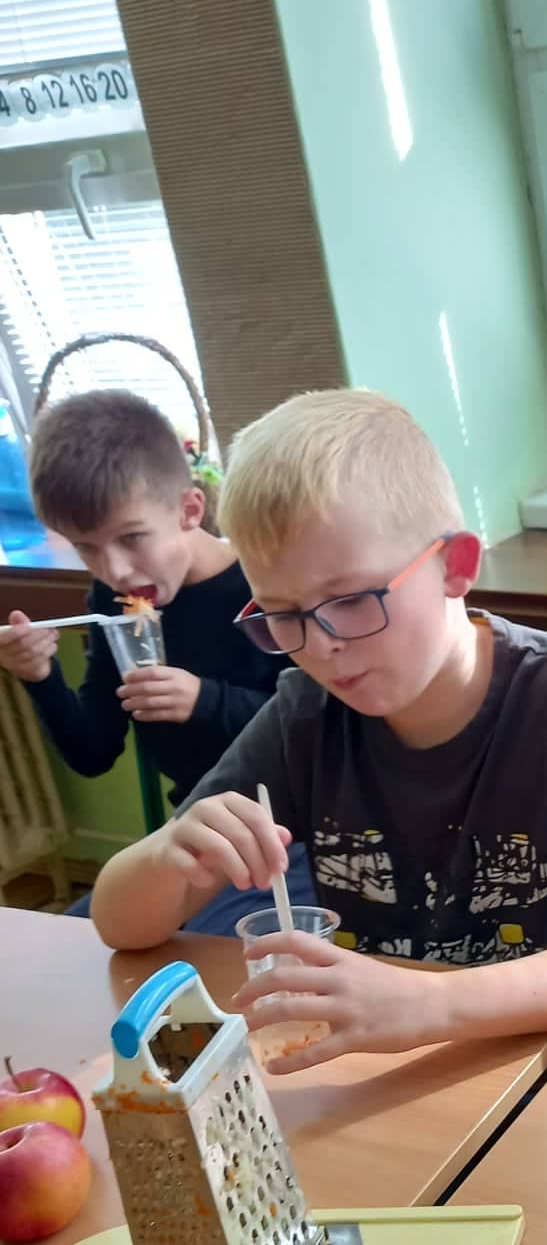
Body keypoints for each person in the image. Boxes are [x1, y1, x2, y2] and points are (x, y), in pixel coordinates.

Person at [88, 389, 547, 1068]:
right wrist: (170, 853)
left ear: (455, 566)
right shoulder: (305, 717)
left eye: (351, 601)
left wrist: (428, 1003)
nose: (321, 645)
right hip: (432, 1065)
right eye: (282, 615)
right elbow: (118, 923)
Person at [0, 387, 311, 930]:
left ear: (190, 509)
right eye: (86, 547)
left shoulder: (268, 586)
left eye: (132, 538)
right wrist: (41, 675)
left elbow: (321, 731)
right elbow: (93, 751)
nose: (115, 570)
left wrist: (205, 701)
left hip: (293, 836)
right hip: (197, 838)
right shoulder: (115, 603)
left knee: (203, 950)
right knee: (79, 938)